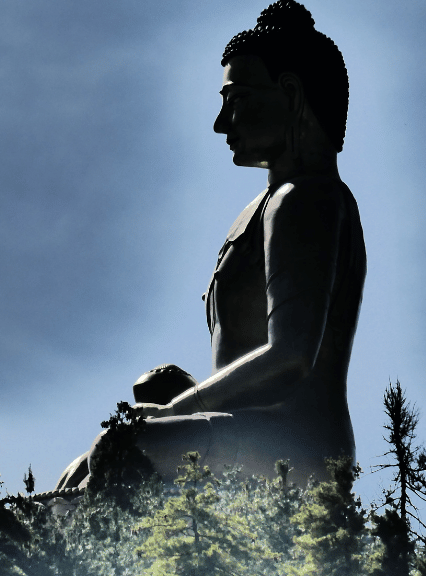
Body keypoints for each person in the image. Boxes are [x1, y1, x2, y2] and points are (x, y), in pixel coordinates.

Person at [55, 0, 365, 490]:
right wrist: (174, 402)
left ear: (289, 92)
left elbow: (289, 356)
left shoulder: (306, 200)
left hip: (295, 448)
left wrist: (176, 412)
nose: (222, 123)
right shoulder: (263, 209)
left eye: (237, 99)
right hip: (249, 433)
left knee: (117, 448)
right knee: (104, 448)